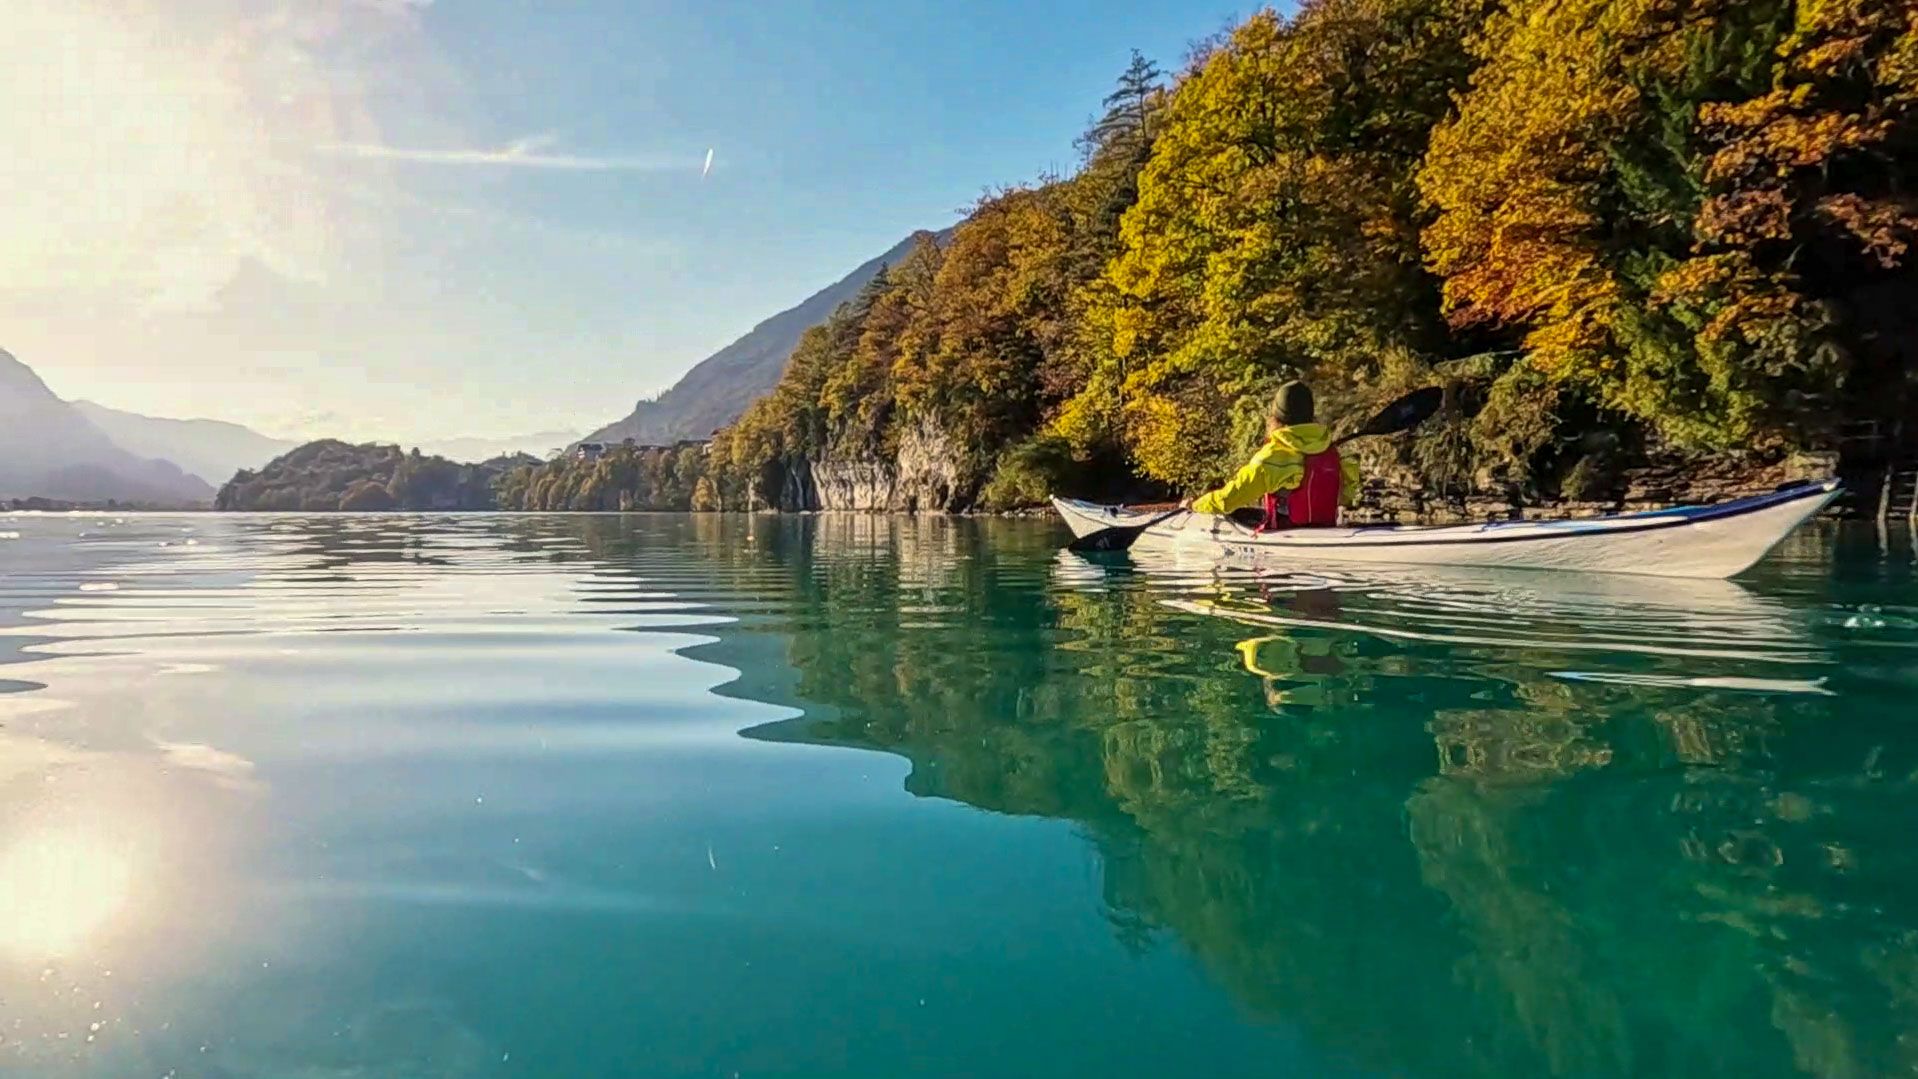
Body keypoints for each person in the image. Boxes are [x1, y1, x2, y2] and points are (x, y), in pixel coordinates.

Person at [1187, 381, 1360, 529]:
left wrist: (1195, 505)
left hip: (1287, 537)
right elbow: (1347, 496)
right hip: (1327, 531)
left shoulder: (1273, 456)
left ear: (1275, 418)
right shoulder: (1333, 452)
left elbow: (1227, 500)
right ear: (1311, 415)